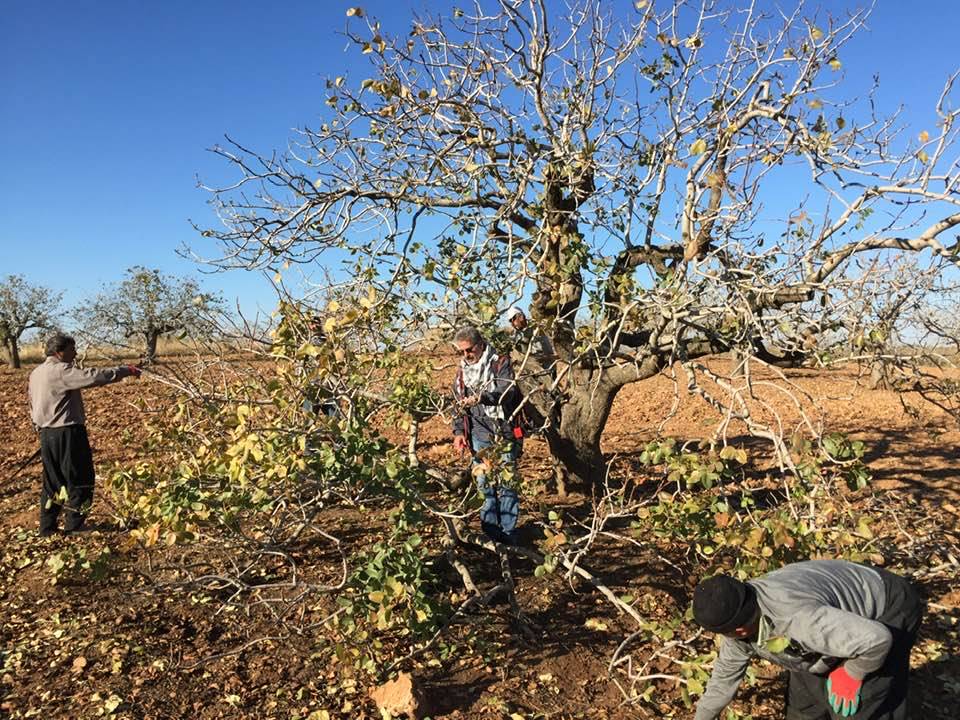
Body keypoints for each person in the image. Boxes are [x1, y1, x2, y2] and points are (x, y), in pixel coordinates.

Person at [691, 559, 925, 720]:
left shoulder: (800, 620)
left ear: (740, 630)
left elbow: (877, 639)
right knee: (805, 707)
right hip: (834, 608)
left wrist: (852, 673)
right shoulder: (740, 607)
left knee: (860, 707)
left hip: (885, 605)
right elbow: (723, 679)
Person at [28, 333, 141, 535]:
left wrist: (43, 430)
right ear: (59, 352)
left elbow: (32, 404)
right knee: (81, 479)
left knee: (53, 483)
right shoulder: (61, 371)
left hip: (47, 433)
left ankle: (47, 528)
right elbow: (94, 376)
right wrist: (126, 370)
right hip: (68, 432)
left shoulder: (36, 373)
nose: (76, 353)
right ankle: (76, 526)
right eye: (72, 349)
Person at [451, 326, 523, 545]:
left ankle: (509, 534)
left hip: (503, 433)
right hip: (478, 436)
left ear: (480, 344)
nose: (466, 355)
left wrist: (482, 398)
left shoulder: (500, 363)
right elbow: (457, 404)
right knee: (485, 484)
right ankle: (491, 534)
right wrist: (458, 432)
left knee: (508, 484)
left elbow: (507, 392)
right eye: (461, 352)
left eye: (469, 350)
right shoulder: (462, 372)